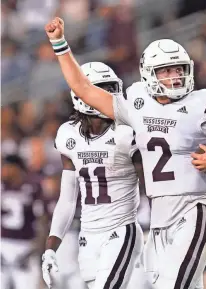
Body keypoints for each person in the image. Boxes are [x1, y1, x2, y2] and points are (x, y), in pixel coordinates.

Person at [45, 17, 206, 289]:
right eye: (166, 71)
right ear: (149, 73)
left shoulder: (202, 103)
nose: (175, 76)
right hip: (159, 216)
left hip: (194, 208)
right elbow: (84, 89)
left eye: (179, 69)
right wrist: (60, 44)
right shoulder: (136, 102)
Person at [41, 62, 145, 289]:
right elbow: (67, 200)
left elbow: (151, 187)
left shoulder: (127, 132)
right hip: (87, 234)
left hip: (121, 229)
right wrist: (50, 247)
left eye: (109, 89)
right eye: (100, 89)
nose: (107, 96)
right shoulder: (68, 135)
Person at [1, 155, 44, 289]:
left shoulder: (33, 187)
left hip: (26, 247)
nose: (3, 170)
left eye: (6, 166)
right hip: (3, 246)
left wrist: (37, 248)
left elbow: (42, 221)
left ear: (16, 168)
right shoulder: (2, 186)